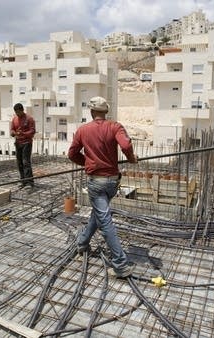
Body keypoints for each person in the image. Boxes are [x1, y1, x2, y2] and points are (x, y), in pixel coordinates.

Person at [68, 96, 138, 278]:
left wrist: (87, 163)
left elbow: (72, 154)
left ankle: (120, 265)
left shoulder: (83, 130)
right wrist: (131, 158)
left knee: (104, 219)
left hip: (96, 182)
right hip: (112, 181)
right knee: (98, 213)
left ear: (91, 112)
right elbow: (125, 144)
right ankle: (82, 244)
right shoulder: (115, 126)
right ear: (106, 112)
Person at [10, 103, 36, 188]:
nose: (17, 114)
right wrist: (14, 133)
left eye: (18, 112)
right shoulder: (14, 119)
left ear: (22, 110)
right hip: (18, 143)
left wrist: (23, 133)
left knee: (26, 162)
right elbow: (12, 130)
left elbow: (32, 131)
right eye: (16, 112)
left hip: (26, 143)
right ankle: (23, 181)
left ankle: (29, 182)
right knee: (19, 163)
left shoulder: (29, 119)